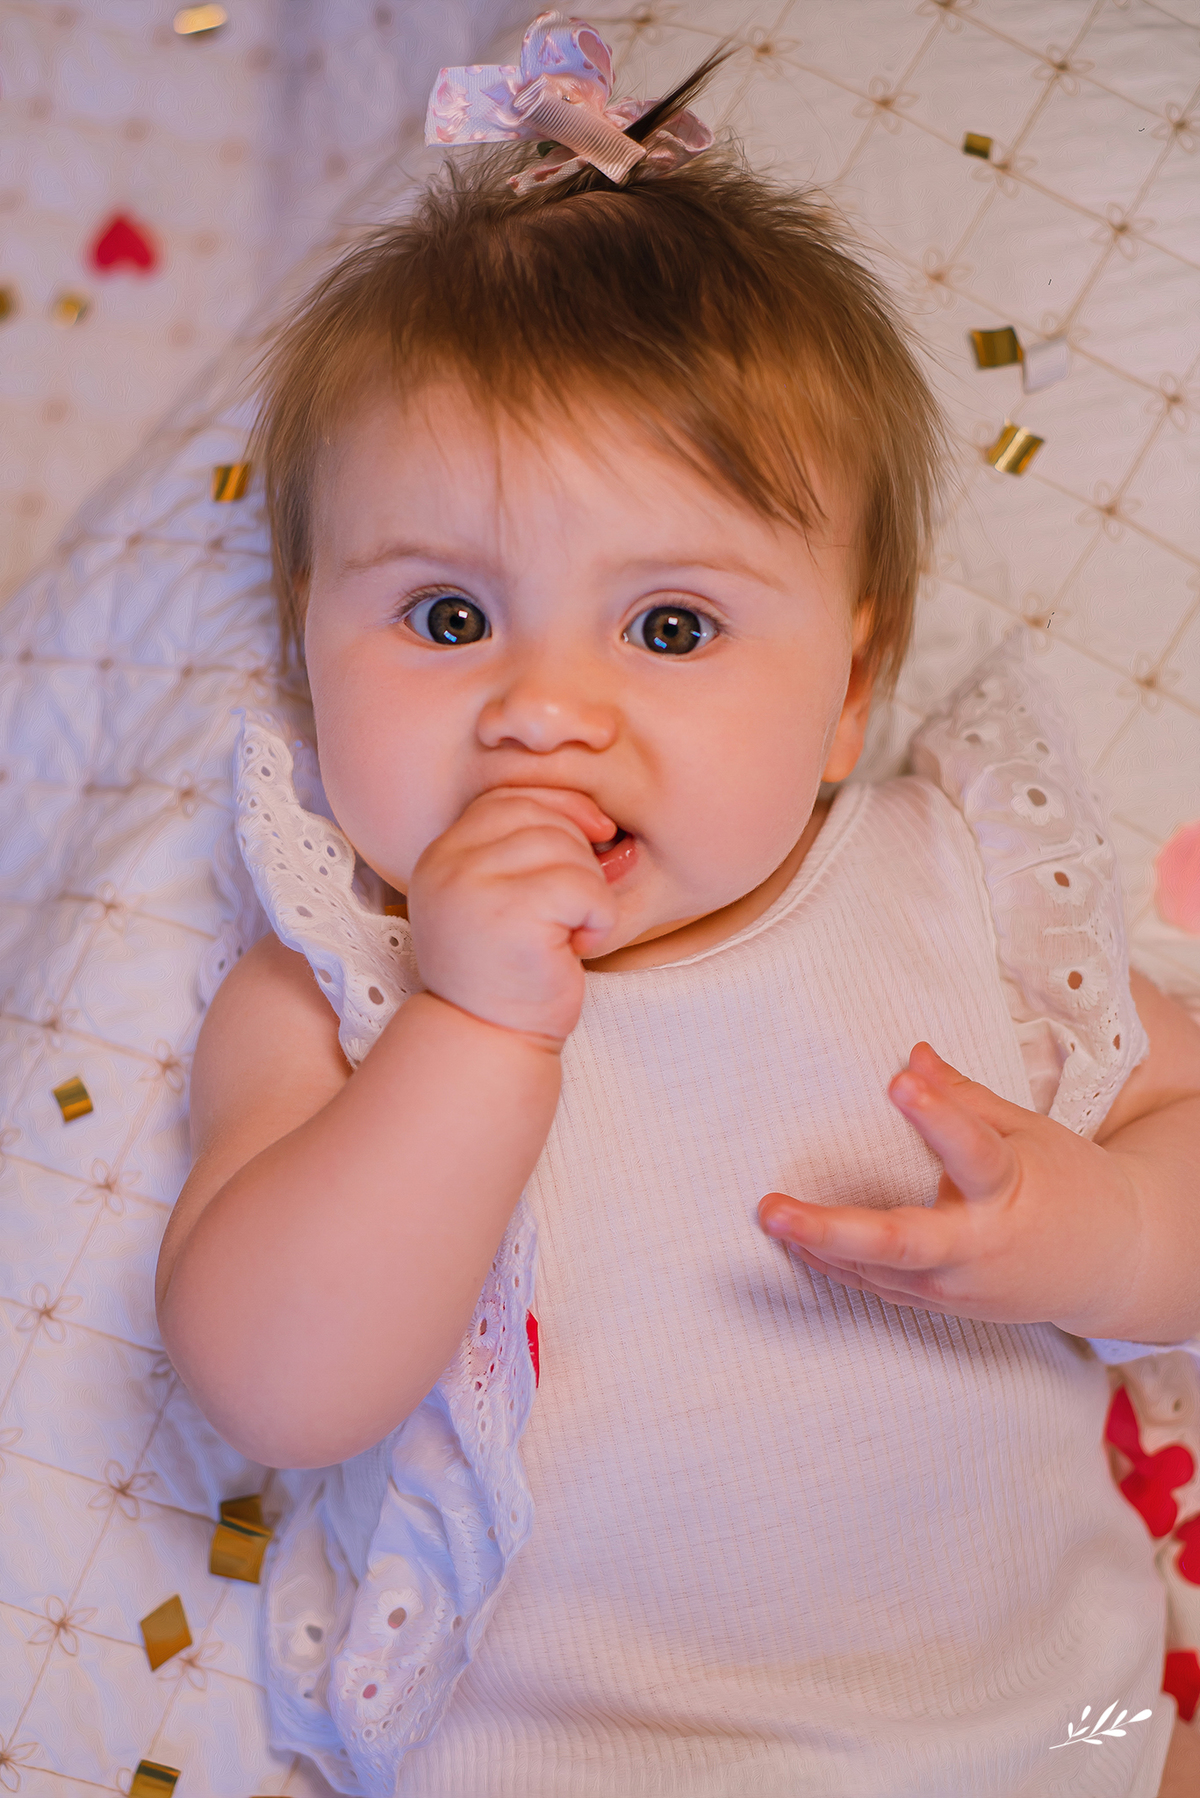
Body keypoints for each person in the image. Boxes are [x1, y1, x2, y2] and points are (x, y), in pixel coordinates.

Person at [154, 15, 1200, 1794]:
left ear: (847, 695)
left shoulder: (955, 885)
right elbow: (273, 1383)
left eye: (670, 627)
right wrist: (475, 1027)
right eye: (448, 617)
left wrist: (1097, 1220)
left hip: (1066, 1725)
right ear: (302, 653)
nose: (546, 706)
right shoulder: (340, 983)